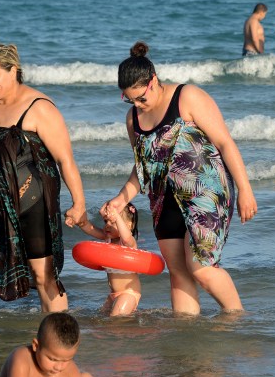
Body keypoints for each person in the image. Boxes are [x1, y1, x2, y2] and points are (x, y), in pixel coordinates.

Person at [105, 41, 257, 315]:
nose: (137, 104)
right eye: (130, 100)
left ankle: (237, 319)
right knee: (178, 271)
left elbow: (225, 143)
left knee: (201, 268)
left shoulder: (187, 97)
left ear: (153, 81)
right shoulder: (133, 119)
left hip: (206, 193)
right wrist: (120, 198)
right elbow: (142, 167)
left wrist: (246, 190)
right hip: (163, 199)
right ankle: (186, 339)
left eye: (141, 97)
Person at [0, 43, 89, 312]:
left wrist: (79, 203)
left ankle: (58, 338)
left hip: (31, 205)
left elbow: (65, 159)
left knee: (43, 276)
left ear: (13, 71)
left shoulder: (39, 107)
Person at [78, 203, 143, 316]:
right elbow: (89, 228)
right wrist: (78, 220)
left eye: (112, 222)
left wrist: (116, 216)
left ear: (129, 225)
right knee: (101, 321)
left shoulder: (129, 243)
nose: (107, 225)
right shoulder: (107, 239)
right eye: (106, 222)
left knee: (115, 320)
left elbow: (126, 238)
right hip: (113, 294)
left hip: (129, 294)